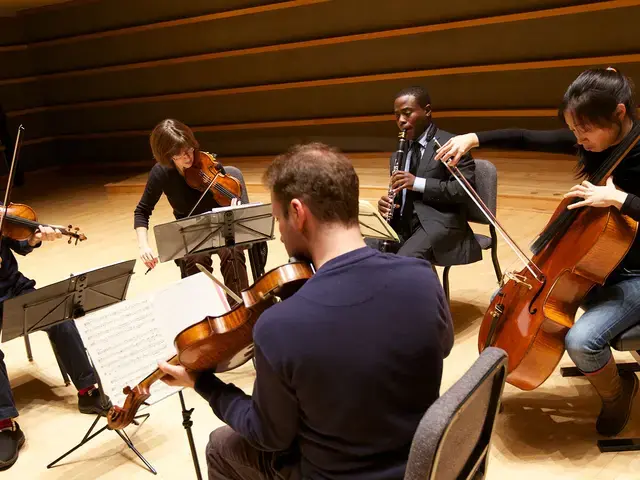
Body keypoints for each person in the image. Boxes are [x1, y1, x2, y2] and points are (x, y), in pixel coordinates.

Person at [158, 142, 454, 479]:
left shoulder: (279, 326)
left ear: (298, 213)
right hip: (421, 466)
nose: (280, 235)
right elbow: (439, 348)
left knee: (221, 445)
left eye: (278, 219)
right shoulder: (422, 278)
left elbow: (268, 435)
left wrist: (203, 384)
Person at [434, 67, 640, 437]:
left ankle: (620, 393)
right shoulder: (595, 142)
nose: (579, 139)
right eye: (574, 130)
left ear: (620, 113)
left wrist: (621, 199)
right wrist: (474, 137)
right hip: (599, 263)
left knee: (582, 341)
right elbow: (528, 137)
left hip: (636, 275)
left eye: (585, 130)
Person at [0, 226, 110, 470]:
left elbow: (21, 244)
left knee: (61, 320)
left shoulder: (2, 217)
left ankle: (87, 392)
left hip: (16, 290)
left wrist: (34, 238)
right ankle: (5, 424)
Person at [134, 119, 249, 298]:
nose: (188, 157)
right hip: (191, 233)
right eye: (180, 155)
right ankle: (205, 312)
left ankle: (239, 309)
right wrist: (143, 246)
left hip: (221, 227)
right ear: (166, 155)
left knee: (232, 251)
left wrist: (234, 208)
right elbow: (142, 210)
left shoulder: (206, 163)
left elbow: (231, 195)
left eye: (189, 150)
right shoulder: (162, 173)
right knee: (196, 260)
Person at [375, 86, 481, 267]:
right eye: (397, 115)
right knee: (362, 253)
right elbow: (400, 192)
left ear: (427, 111)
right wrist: (387, 205)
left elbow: (462, 190)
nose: (401, 120)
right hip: (404, 224)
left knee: (404, 262)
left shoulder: (451, 145)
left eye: (407, 113)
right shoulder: (399, 153)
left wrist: (417, 183)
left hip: (439, 224)